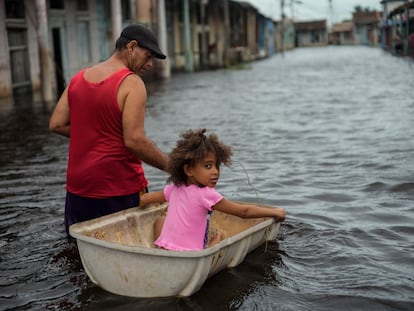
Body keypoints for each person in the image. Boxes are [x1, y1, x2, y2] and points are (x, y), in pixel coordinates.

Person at [49, 24, 169, 236]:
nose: (150, 64)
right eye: (148, 56)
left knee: (81, 252)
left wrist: (94, 132)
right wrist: (174, 167)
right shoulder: (132, 83)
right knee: (128, 250)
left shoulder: (78, 78)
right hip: (117, 187)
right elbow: (134, 140)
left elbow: (56, 124)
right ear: (131, 47)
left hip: (78, 188)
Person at [140, 129, 286, 251]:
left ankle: (160, 248)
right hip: (191, 255)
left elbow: (145, 199)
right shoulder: (207, 195)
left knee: (160, 220)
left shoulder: (174, 188)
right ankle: (211, 245)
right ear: (189, 170)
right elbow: (244, 211)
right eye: (208, 166)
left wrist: (139, 201)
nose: (215, 172)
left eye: (217, 166)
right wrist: (275, 212)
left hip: (166, 251)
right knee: (215, 237)